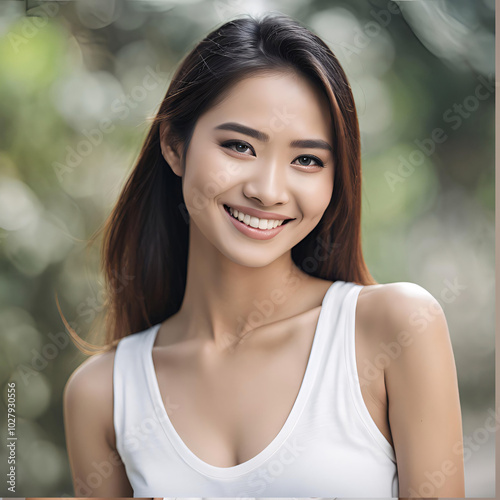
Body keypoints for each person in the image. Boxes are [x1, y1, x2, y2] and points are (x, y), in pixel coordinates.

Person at [62, 11, 465, 498]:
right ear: (174, 144)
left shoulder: (395, 329)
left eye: (307, 160)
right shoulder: (101, 395)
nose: (269, 191)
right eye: (239, 146)